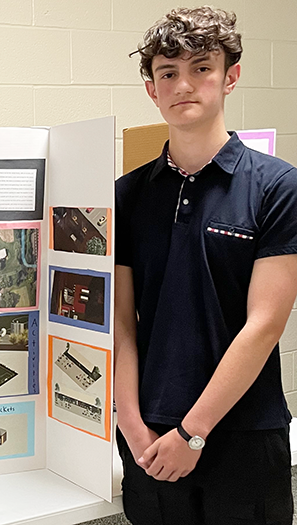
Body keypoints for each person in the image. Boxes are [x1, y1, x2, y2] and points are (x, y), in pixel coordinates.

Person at [115, 7, 297, 524]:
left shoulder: (278, 187)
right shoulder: (126, 196)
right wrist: (130, 424)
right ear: (152, 88)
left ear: (230, 77)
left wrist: (193, 432)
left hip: (241, 434)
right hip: (149, 436)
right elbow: (121, 323)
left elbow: (263, 326)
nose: (184, 84)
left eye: (201, 67)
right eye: (168, 73)